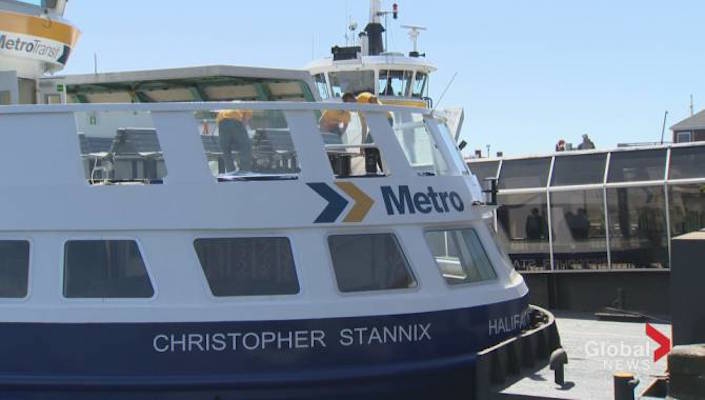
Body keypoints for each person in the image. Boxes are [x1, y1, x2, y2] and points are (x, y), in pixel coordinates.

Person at [216, 107, 253, 173]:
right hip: (234, 120)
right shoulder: (247, 106)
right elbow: (244, 122)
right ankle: (244, 170)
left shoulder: (228, 106)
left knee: (226, 150)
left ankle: (230, 171)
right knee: (246, 147)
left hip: (221, 122)